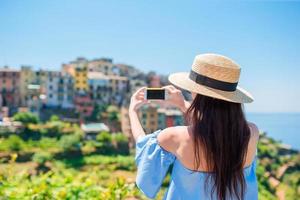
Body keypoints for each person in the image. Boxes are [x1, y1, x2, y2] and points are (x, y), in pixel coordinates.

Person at [129, 53, 259, 200]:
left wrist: (132, 111)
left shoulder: (176, 137)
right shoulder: (251, 133)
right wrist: (182, 104)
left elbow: (143, 145)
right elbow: (215, 125)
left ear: (197, 92)